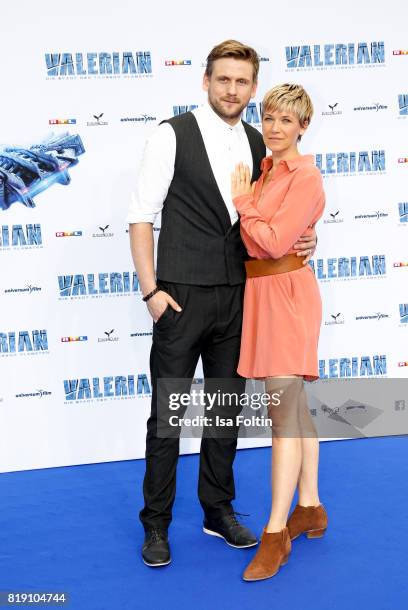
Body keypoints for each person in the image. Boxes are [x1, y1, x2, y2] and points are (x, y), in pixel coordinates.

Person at [127, 42, 317, 568]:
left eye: (241, 82)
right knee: (168, 416)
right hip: (180, 298)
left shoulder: (263, 145)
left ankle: (218, 509)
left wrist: (309, 240)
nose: (231, 90)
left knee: (224, 412)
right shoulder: (171, 134)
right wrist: (151, 292)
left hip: (240, 296)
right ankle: (157, 523)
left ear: (253, 89)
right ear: (206, 81)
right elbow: (141, 216)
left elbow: (281, 220)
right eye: (223, 80)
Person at [231, 83, 327, 582]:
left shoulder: (305, 176)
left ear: (303, 126)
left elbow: (268, 242)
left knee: (283, 416)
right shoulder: (267, 171)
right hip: (265, 295)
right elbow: (272, 239)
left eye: (286, 121)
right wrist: (256, 206)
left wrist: (245, 204)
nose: (274, 128)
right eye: (268, 118)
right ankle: (309, 505)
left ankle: (275, 535)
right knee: (293, 409)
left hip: (287, 297)